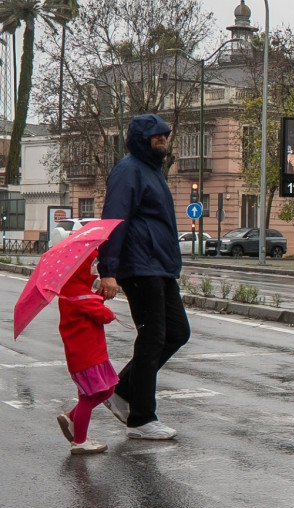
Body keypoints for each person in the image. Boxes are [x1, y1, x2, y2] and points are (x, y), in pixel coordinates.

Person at [97, 113, 190, 440]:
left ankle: (121, 390)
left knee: (177, 332)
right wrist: (108, 271)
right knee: (152, 338)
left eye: (165, 134)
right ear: (141, 138)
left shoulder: (153, 171)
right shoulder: (128, 171)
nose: (162, 139)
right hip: (139, 266)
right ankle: (141, 419)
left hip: (160, 267)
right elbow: (114, 220)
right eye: (156, 135)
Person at [56, 251, 119, 455]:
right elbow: (103, 315)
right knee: (88, 396)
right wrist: (107, 309)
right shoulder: (76, 292)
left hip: (94, 354)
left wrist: (97, 298)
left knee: (108, 389)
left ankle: (71, 418)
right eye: (91, 265)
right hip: (86, 357)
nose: (94, 269)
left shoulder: (75, 291)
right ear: (79, 270)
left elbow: (90, 304)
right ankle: (80, 441)